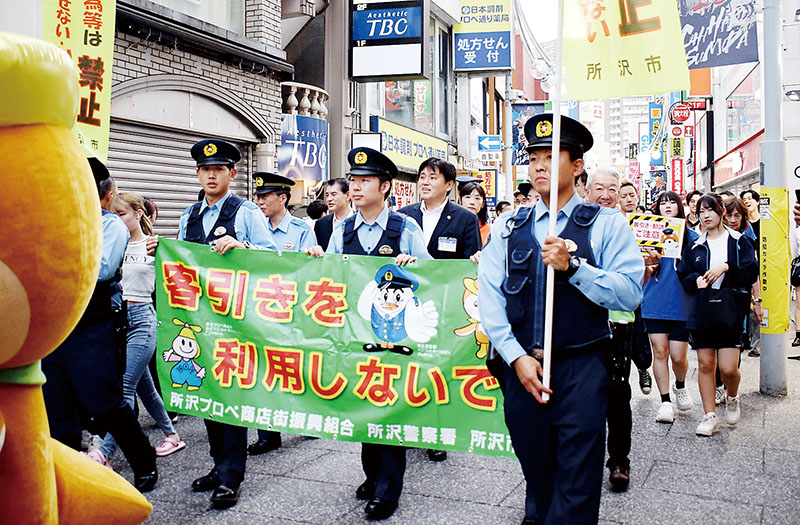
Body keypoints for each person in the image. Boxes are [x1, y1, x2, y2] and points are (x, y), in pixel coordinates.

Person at [479, 114, 644, 524]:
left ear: (577, 166)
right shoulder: (506, 225)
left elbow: (629, 292)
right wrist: (516, 357)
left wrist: (575, 269)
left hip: (583, 368)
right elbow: (490, 301)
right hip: (523, 369)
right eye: (533, 157)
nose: (538, 165)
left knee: (578, 480)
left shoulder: (606, 225)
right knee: (537, 472)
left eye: (550, 156)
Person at [306, 147, 431, 520]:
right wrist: (316, 259)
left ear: (386, 186)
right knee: (364, 408)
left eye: (365, 181)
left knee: (390, 413)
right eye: (354, 180)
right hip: (357, 338)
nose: (356, 187)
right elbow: (332, 276)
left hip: (397, 343)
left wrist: (415, 268)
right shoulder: (342, 228)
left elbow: (433, 281)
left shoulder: (405, 228)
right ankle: (372, 475)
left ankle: (388, 489)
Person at [42, 158, 158, 493]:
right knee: (57, 406)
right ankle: (69, 476)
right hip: (56, 326)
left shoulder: (110, 225)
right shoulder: (53, 221)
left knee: (104, 402)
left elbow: (101, 269)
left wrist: (53, 260)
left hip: (92, 327)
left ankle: (143, 458)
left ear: (100, 193)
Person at [173, 139, 277, 509]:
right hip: (199, 321)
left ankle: (231, 476)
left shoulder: (246, 212)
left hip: (236, 323)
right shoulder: (189, 214)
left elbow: (274, 257)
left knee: (231, 396)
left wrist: (242, 247)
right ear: (198, 174)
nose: (211, 175)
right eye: (205, 169)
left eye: (218, 169)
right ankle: (219, 466)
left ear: (232, 174)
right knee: (206, 397)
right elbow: (182, 260)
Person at [89, 192, 185, 469]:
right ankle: (172, 435)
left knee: (124, 388)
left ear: (138, 214)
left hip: (143, 319)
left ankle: (104, 452)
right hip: (118, 320)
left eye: (122, 214)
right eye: (114, 214)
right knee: (146, 388)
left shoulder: (155, 246)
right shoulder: (112, 246)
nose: (117, 220)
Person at [677, 193, 758, 436]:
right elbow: (685, 274)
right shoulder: (694, 245)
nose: (706, 215)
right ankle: (709, 415)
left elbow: (750, 272)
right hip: (703, 309)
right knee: (705, 364)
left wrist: (726, 267)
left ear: (721, 211)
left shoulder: (739, 241)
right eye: (701, 211)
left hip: (730, 310)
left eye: (710, 210)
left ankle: (732, 396)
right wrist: (696, 281)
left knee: (728, 368)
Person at [248, 172, 316, 455]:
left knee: (294, 368)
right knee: (263, 369)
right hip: (259, 309)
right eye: (258, 196)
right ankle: (268, 433)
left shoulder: (301, 229)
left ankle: (308, 417)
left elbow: (310, 270)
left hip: (293, 310)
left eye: (266, 196)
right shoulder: (252, 226)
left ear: (283, 198)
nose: (260, 201)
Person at [584, 167, 642, 491]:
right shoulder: (576, 222)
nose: (606, 195)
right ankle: (585, 460)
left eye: (612, 189)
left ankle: (619, 460)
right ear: (586, 190)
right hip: (583, 322)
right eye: (599, 188)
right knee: (585, 394)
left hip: (618, 321)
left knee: (618, 393)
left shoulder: (628, 227)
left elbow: (633, 283)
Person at [642, 191, 699, 424]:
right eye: (662, 203)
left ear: (679, 206)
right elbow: (639, 274)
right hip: (654, 300)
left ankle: (680, 384)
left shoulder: (692, 236)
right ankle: (665, 401)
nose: (667, 206)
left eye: (671, 203)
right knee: (660, 351)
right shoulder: (647, 234)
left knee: (678, 356)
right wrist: (648, 265)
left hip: (682, 302)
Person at [399, 157, 481, 260]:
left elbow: (471, 263)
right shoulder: (403, 215)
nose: (425, 182)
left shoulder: (466, 218)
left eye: (433, 178)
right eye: (422, 177)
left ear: (449, 185)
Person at [617, 180, 654, 395]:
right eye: (624, 196)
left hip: (642, 286)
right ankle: (624, 376)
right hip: (620, 285)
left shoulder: (648, 223)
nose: (629, 199)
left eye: (632, 195)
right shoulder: (614, 222)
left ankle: (643, 367)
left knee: (639, 332)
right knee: (622, 334)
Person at [314, 178, 353, 250]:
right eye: (327, 195)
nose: (329, 199)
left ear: (348, 195)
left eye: (333, 194)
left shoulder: (359, 222)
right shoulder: (321, 224)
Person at [459, 180, 491, 246]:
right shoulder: (452, 225)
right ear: (460, 200)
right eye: (468, 197)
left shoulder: (490, 230)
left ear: (483, 203)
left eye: (477, 198)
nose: (472, 202)